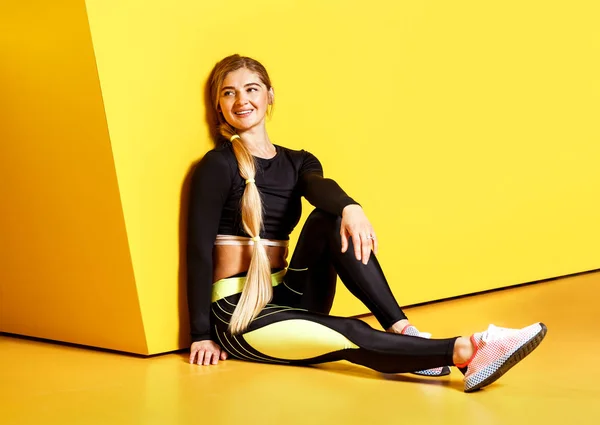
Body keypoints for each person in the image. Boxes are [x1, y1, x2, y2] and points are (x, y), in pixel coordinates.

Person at [186, 54, 547, 392]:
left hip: (288, 295)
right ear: (219, 104)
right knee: (348, 331)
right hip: (239, 314)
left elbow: (318, 188)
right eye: (228, 93)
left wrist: (350, 207)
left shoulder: (299, 161)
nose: (241, 101)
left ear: (269, 95)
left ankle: (404, 330)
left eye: (251, 89)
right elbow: (199, 250)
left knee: (330, 219)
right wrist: (201, 333)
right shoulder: (217, 166)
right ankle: (469, 352)